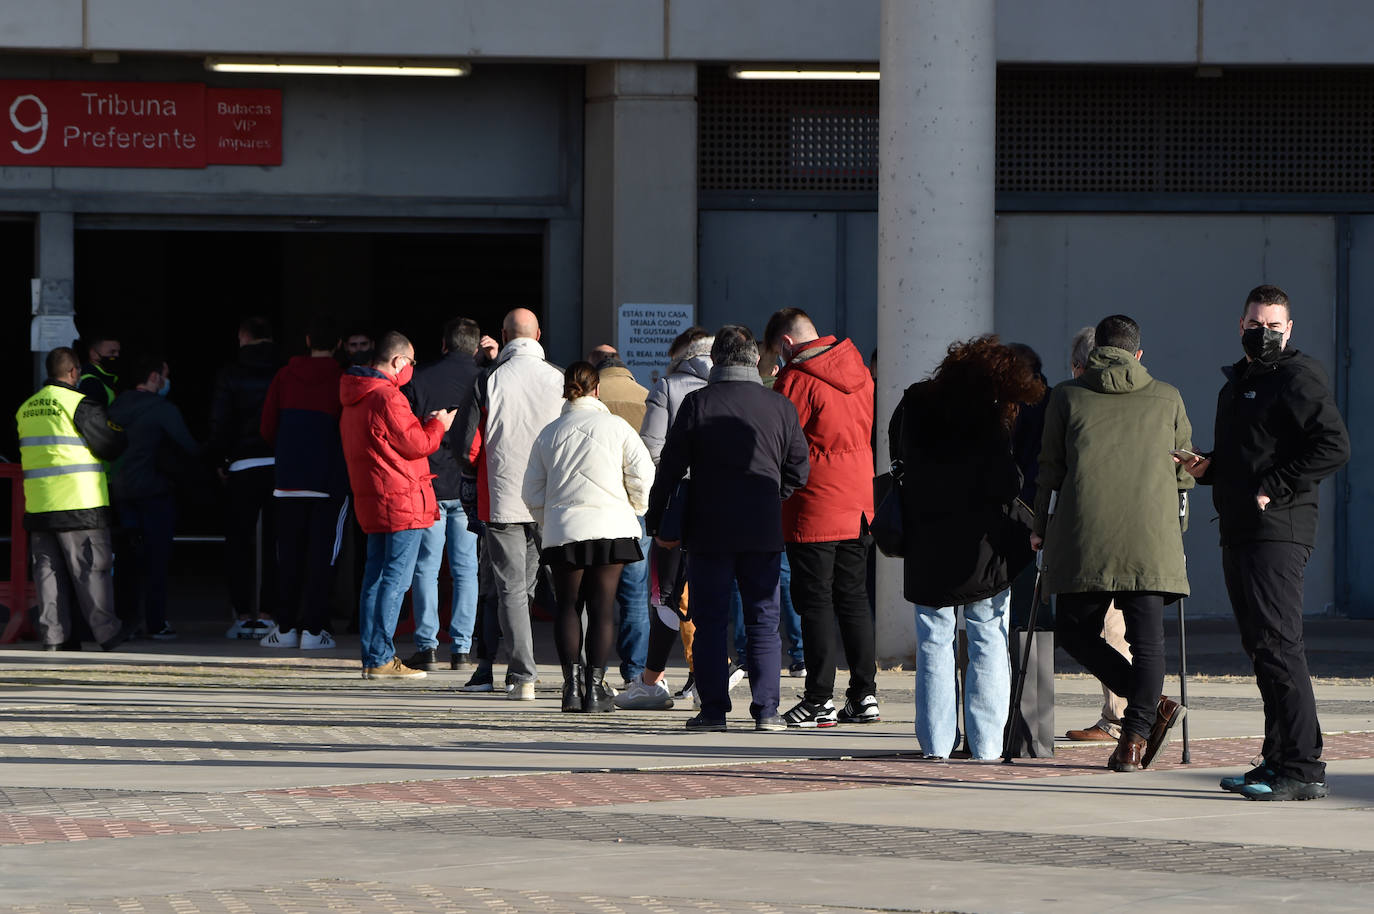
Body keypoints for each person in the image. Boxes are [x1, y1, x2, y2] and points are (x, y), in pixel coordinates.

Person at [1183, 284, 1349, 801]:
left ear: (1290, 329)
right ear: (1241, 326)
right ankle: (1277, 760)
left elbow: (1333, 446)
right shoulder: (1238, 385)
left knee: (1279, 647)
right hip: (1240, 529)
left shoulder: (1298, 377)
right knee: (1262, 649)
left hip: (1279, 530)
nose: (1264, 334)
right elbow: (1250, 455)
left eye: (1274, 326)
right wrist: (1208, 468)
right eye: (1256, 325)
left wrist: (1273, 486)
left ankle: (1301, 767)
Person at [1032, 315, 1193, 772]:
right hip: (1150, 538)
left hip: (1086, 537)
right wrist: (1175, 533)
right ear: (1138, 354)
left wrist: (1040, 525)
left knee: (1073, 631)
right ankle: (1136, 737)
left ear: (1096, 351)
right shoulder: (1168, 397)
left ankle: (1148, 711)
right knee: (1148, 642)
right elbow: (1184, 474)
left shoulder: (1066, 395)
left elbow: (1050, 469)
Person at [645, 325, 809, 732]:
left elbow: (670, 467)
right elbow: (799, 469)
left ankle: (714, 710)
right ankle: (767, 711)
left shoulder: (699, 404)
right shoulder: (780, 407)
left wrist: (655, 514)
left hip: (709, 529)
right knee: (763, 619)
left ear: (715, 361)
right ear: (756, 360)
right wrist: (773, 495)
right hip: (762, 528)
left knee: (711, 621)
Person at [889, 336, 1042, 759]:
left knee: (934, 641)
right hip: (982, 548)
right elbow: (1005, 483)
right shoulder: (987, 415)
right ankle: (987, 746)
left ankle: (935, 745)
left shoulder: (915, 401)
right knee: (987, 636)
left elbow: (897, 458)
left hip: (927, 542)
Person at [765, 308, 878, 729]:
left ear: (787, 344)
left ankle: (817, 700)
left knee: (814, 604)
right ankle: (864, 695)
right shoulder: (860, 371)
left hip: (814, 505)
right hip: (859, 501)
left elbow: (780, 438)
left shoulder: (797, 379)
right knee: (853, 599)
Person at [524, 361, 655, 711]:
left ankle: (571, 689)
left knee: (568, 606)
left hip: (564, 531)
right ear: (597, 389)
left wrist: (550, 517)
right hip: (612, 528)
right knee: (603, 608)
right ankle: (595, 691)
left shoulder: (549, 433)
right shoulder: (618, 427)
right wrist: (635, 508)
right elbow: (643, 473)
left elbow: (531, 491)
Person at [456, 308, 564, 699]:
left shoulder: (488, 379)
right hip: (552, 499)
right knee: (564, 586)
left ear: (503, 335)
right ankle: (581, 673)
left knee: (511, 589)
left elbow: (465, 446)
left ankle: (523, 677)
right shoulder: (559, 378)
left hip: (502, 497)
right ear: (538, 334)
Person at [340, 331, 455, 679]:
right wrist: (438, 424)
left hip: (374, 497)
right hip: (401, 499)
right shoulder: (388, 397)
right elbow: (415, 443)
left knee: (375, 577)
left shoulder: (354, 394)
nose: (411, 371)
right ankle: (380, 658)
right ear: (397, 362)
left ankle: (373, 655)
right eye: (411, 363)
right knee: (395, 579)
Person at [616, 327, 712, 711]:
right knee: (713, 591)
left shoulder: (669, 387)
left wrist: (672, 490)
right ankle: (708, 679)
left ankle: (652, 680)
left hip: (677, 508)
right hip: (724, 507)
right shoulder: (739, 387)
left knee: (665, 595)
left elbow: (651, 451)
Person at [18, 347, 128, 651]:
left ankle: (55, 637)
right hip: (80, 504)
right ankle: (107, 634)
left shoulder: (26, 407)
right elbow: (111, 443)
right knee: (91, 571)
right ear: (73, 372)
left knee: (48, 574)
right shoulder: (79, 404)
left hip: (40, 506)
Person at [1057, 326, 1133, 743]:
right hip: (1135, 530)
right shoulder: (1147, 399)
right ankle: (1125, 711)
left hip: (1099, 533)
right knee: (1112, 626)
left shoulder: (1078, 400)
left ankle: (1127, 713)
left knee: (1108, 627)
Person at [257, 316, 348, 651]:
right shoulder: (342, 378)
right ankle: (313, 629)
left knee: (289, 556)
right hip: (328, 480)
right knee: (323, 557)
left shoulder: (284, 376)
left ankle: (285, 628)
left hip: (289, 479)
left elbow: (267, 427)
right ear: (339, 344)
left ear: (308, 340)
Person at [404, 317, 483, 671]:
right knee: (466, 569)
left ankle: (427, 645)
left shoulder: (420, 379)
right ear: (476, 346)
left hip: (430, 484)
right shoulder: (485, 378)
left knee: (427, 568)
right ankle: (462, 648)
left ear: (444, 344)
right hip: (469, 484)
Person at [108, 354, 201, 640]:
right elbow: (189, 446)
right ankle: (156, 622)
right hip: (154, 493)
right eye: (165, 374)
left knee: (125, 561)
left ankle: (127, 621)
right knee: (156, 560)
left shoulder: (116, 406)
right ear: (153, 377)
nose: (166, 381)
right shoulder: (162, 409)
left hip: (121, 493)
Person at [209, 316, 281, 640]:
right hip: (280, 462)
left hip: (242, 464)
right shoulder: (284, 369)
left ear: (242, 337)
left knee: (238, 542)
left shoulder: (230, 372)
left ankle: (242, 614)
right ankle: (268, 612)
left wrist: (221, 459)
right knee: (276, 541)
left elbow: (220, 422)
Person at [587, 344, 652, 688]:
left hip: (592, 508)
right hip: (633, 512)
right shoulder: (647, 396)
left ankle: (591, 671)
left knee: (591, 592)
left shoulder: (588, 402)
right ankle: (633, 672)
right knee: (635, 595)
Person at [77, 332, 121, 406]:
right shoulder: (90, 383)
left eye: (118, 352)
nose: (117, 355)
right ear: (93, 354)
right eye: (112, 352)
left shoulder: (105, 378)